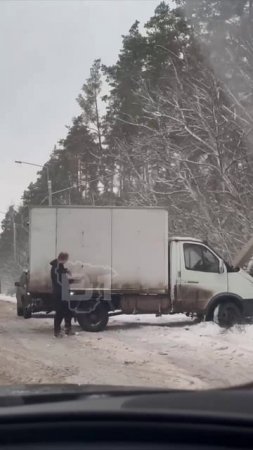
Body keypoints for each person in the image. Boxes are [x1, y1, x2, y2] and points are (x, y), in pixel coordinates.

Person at [50, 252, 73, 337]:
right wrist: (69, 282)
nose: (66, 261)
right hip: (59, 293)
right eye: (66, 259)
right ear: (63, 259)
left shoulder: (59, 266)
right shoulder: (55, 268)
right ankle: (57, 331)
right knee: (59, 313)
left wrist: (66, 271)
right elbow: (58, 281)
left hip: (63, 292)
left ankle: (68, 329)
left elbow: (61, 274)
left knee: (68, 311)